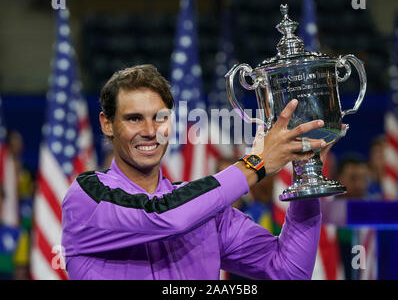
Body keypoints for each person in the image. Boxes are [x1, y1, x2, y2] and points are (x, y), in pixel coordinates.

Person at [61, 64, 331, 280]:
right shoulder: (86, 197)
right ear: (107, 124)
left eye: (160, 117)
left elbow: (289, 270)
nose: (149, 131)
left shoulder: (204, 211)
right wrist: (256, 164)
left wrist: (306, 172)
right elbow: (162, 215)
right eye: (134, 118)